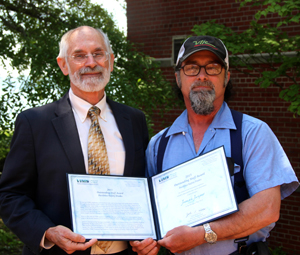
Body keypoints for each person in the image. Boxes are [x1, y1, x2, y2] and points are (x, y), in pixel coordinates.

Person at [130, 35, 299, 255]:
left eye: (212, 67)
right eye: (191, 68)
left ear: (226, 77)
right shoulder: (158, 145)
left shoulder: (253, 133)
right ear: (178, 78)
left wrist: (203, 234)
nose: (202, 76)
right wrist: (145, 241)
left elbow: (267, 209)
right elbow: (150, 214)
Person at [0, 26, 149, 255]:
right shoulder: (34, 123)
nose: (91, 62)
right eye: (79, 55)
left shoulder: (135, 120)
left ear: (110, 60)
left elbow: (144, 187)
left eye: (98, 53)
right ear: (63, 65)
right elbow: (10, 195)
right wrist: (48, 232)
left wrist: (150, 236)